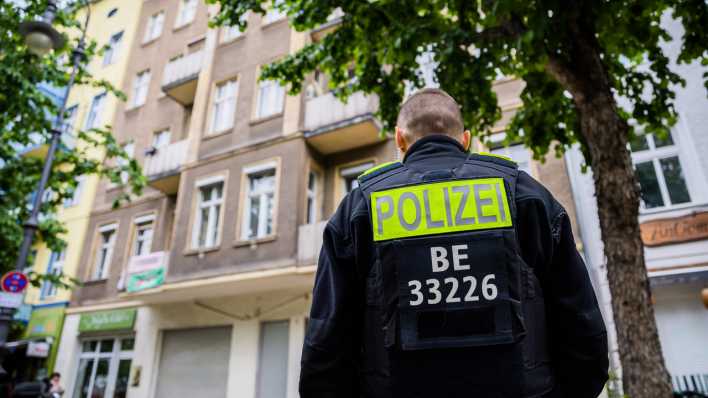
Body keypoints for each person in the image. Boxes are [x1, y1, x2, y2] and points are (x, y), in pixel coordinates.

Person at [299, 88, 609, 398]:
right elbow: (583, 328)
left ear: (399, 140)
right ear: (465, 139)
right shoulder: (525, 195)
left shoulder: (360, 207)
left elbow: (326, 343)